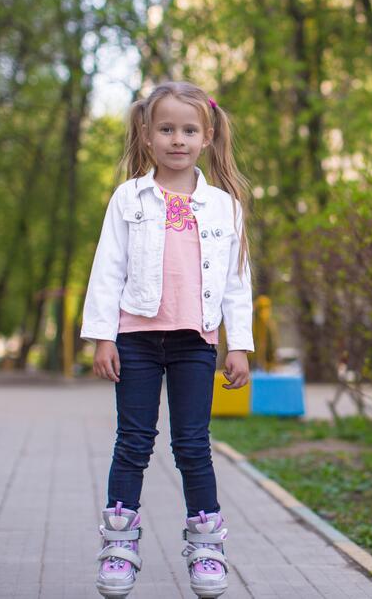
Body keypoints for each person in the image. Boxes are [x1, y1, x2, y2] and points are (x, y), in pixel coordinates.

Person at [80, 81, 255, 599]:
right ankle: (119, 545)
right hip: (134, 337)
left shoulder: (224, 206)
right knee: (133, 442)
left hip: (193, 343)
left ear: (207, 137)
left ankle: (206, 547)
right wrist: (101, 337)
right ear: (148, 135)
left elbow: (235, 280)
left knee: (192, 444)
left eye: (188, 130)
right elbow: (106, 269)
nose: (177, 139)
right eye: (166, 129)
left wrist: (238, 344)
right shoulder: (129, 197)